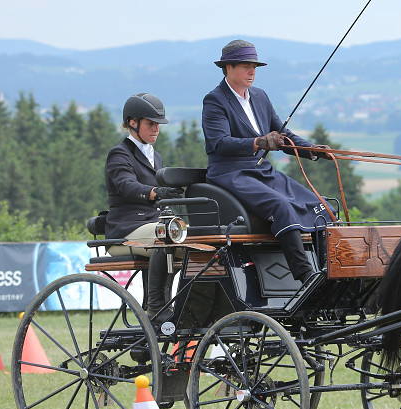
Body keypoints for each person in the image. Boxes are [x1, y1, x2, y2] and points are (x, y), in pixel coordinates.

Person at [202, 39, 333, 285]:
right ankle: (306, 278)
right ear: (228, 67)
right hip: (230, 175)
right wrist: (259, 142)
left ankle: (329, 273)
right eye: (245, 66)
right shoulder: (215, 100)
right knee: (281, 205)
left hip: (261, 172)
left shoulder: (260, 97)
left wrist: (312, 149)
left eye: (254, 66)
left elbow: (283, 135)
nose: (252, 71)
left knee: (322, 207)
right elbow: (219, 143)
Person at [104, 92, 183, 324]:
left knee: (189, 239)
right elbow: (126, 186)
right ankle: (156, 308)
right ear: (132, 123)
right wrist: (156, 192)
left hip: (153, 223)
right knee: (165, 236)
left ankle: (176, 302)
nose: (156, 129)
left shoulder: (155, 157)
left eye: (158, 124)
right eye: (150, 123)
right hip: (126, 228)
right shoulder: (119, 153)